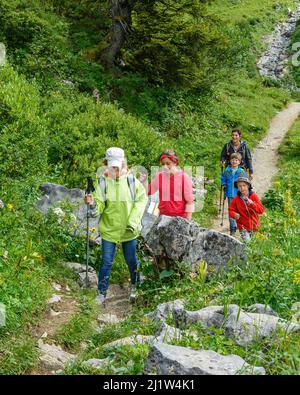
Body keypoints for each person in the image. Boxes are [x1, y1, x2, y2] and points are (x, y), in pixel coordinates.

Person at [85, 147, 148, 305]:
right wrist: (92, 204)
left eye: (118, 167)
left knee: (132, 260)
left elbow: (141, 202)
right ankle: (101, 292)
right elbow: (99, 206)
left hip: (129, 230)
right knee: (106, 261)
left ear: (124, 163)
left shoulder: (132, 182)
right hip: (109, 229)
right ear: (106, 165)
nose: (115, 170)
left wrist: (132, 223)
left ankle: (135, 286)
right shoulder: (103, 183)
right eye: (112, 167)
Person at [148, 149, 194, 220]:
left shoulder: (184, 177)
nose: (165, 167)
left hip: (179, 219)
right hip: (162, 218)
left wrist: (188, 222)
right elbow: (148, 191)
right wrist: (143, 181)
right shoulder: (159, 176)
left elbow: (190, 202)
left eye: (168, 163)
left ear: (175, 162)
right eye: (163, 164)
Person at [228, 175, 265, 242]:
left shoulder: (253, 196)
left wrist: (252, 204)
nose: (242, 188)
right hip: (243, 226)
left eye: (244, 185)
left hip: (254, 226)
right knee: (247, 243)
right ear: (237, 187)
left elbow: (261, 210)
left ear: (248, 186)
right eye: (240, 186)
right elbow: (230, 210)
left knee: (255, 245)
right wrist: (234, 214)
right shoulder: (236, 198)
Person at [221, 153, 246, 236]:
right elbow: (223, 178)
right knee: (231, 211)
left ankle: (242, 226)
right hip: (230, 194)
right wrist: (223, 184)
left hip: (239, 195)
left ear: (239, 162)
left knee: (240, 211)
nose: (234, 161)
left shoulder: (241, 171)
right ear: (230, 161)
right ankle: (233, 228)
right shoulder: (227, 170)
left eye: (236, 160)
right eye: (233, 160)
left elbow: (245, 181)